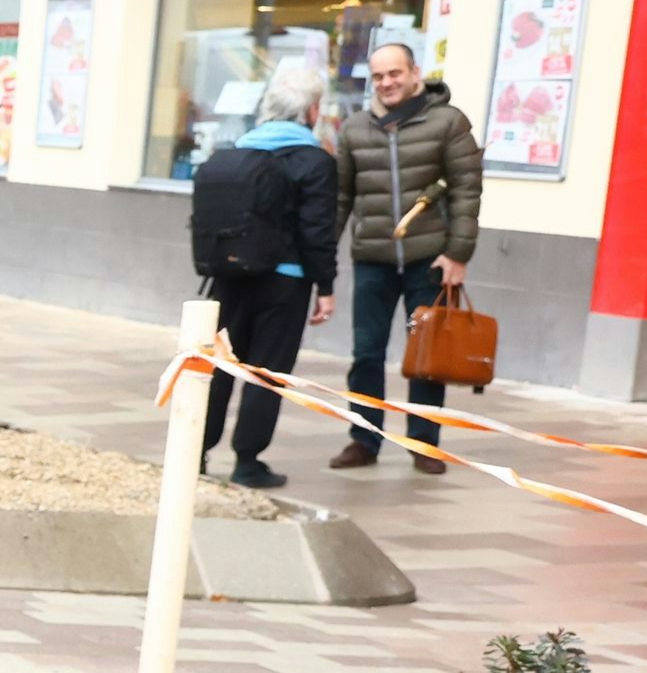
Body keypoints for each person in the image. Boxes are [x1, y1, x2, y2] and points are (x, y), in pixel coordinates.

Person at [325, 39, 483, 471]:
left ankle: (424, 444)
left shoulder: (448, 122)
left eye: (395, 73)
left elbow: (468, 191)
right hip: (373, 258)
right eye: (378, 76)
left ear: (415, 74)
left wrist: (458, 253)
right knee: (366, 355)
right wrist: (322, 263)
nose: (387, 83)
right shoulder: (355, 129)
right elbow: (340, 200)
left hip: (429, 259)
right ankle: (364, 440)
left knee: (427, 358)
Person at [185, 60, 341, 489]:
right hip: (285, 283)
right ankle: (248, 461)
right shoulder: (315, 161)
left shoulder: (238, 152)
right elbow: (317, 232)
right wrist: (325, 286)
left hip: (229, 277)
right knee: (267, 371)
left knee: (217, 365)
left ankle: (195, 452)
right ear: (311, 111)